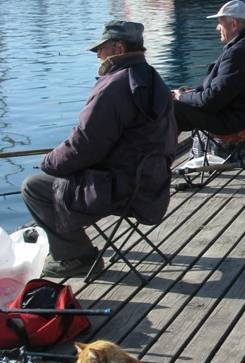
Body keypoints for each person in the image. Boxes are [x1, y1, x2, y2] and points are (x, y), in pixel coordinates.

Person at [22, 21, 177, 278]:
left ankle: (75, 257)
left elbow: (84, 145)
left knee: (33, 186)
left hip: (121, 188)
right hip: (152, 182)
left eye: (101, 48)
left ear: (118, 47)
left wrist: (48, 161)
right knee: (60, 175)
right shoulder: (151, 77)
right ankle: (73, 249)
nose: (97, 55)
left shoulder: (114, 85)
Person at [173, 0, 245, 133]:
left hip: (232, 121)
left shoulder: (238, 53)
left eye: (220, 23)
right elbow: (221, 91)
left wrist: (181, 97)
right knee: (179, 99)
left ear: (233, 25)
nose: (217, 28)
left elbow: (211, 101)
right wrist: (190, 93)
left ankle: (160, 152)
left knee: (170, 107)